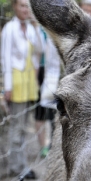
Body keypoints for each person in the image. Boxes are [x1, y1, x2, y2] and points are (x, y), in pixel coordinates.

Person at [0, 0, 43, 179]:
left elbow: (40, 50)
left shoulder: (32, 28)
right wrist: (7, 86)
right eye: (22, 5)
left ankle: (21, 164)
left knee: (25, 124)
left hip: (29, 80)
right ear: (15, 6)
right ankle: (16, 167)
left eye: (28, 6)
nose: (26, 9)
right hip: (16, 80)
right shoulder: (9, 28)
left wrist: (36, 26)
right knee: (17, 125)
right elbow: (5, 58)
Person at [35, 27, 61, 157]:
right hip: (40, 73)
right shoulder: (38, 30)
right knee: (40, 111)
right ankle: (43, 145)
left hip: (56, 75)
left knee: (55, 110)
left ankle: (54, 143)